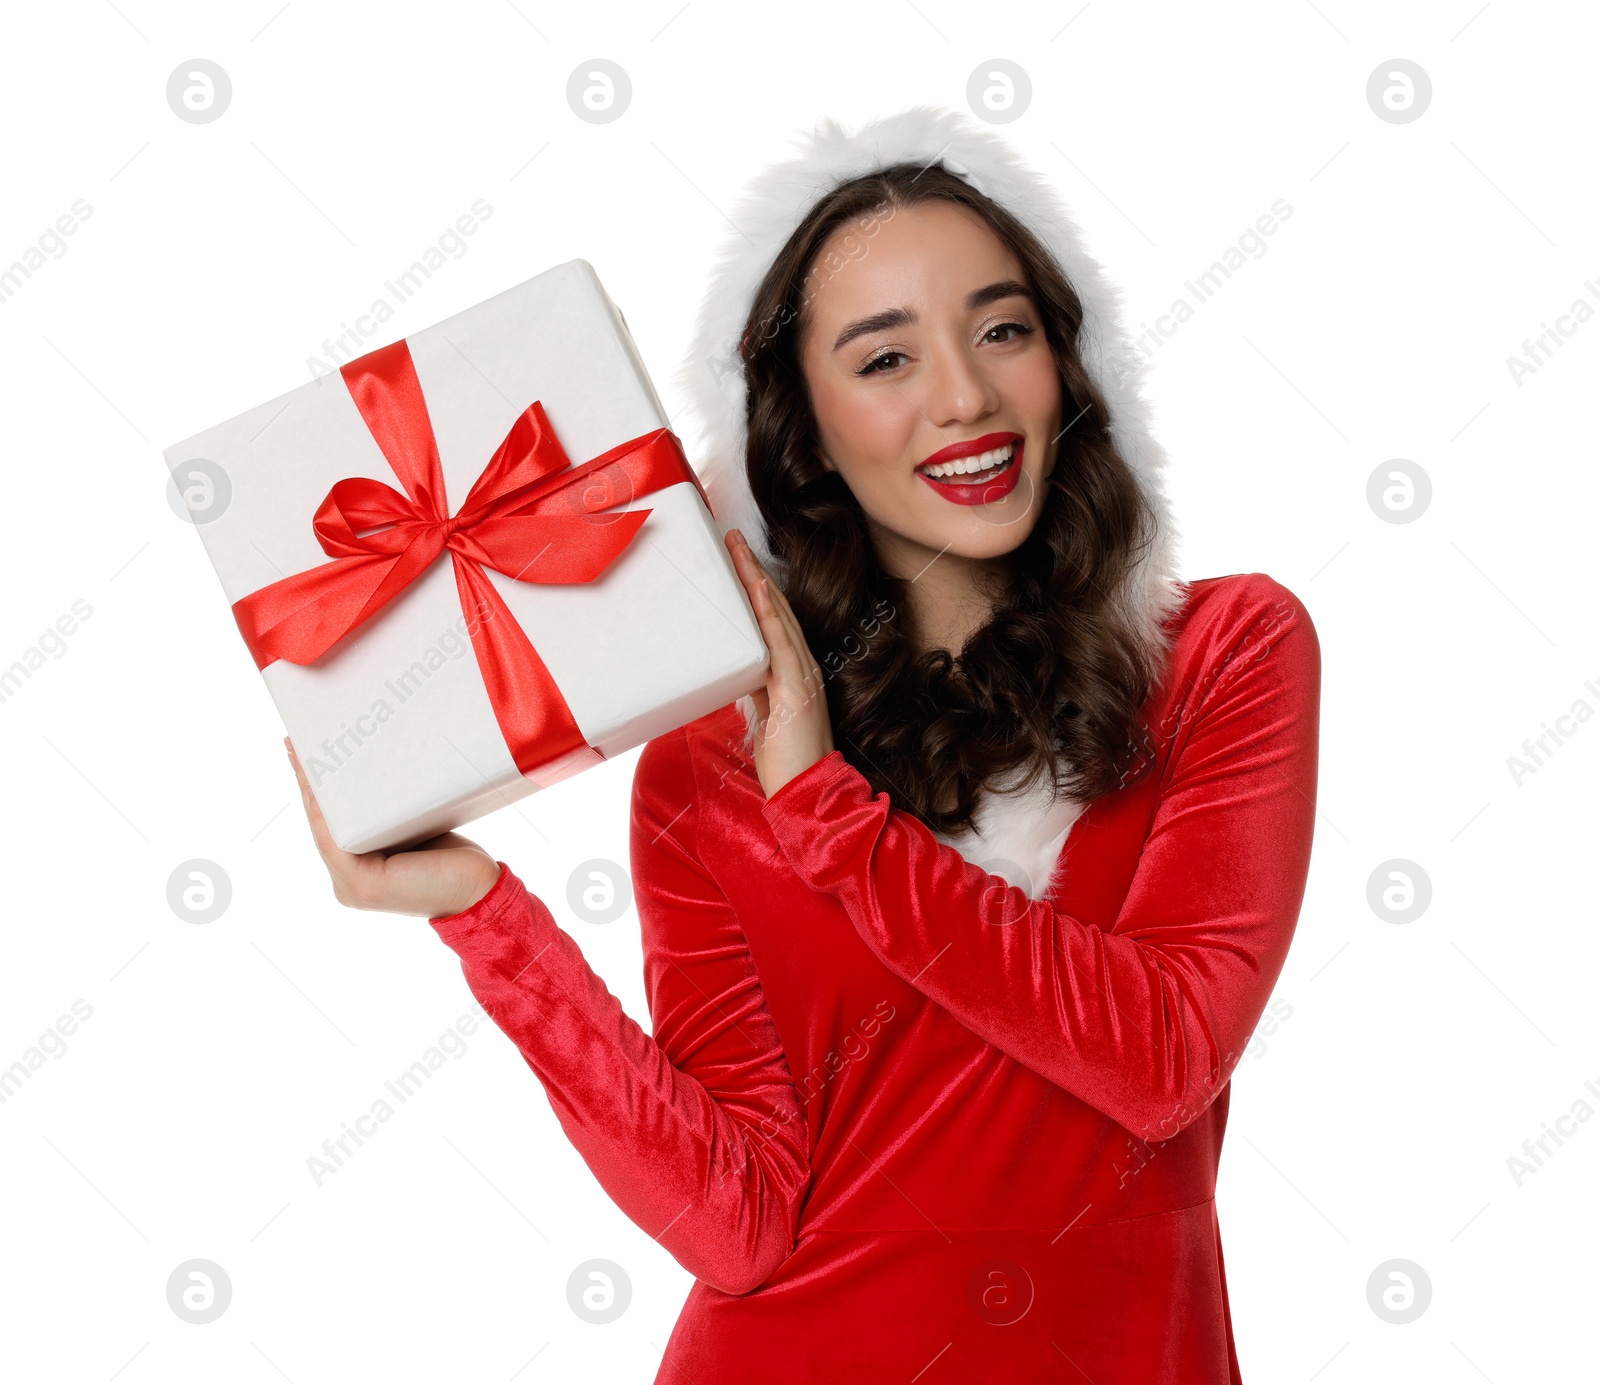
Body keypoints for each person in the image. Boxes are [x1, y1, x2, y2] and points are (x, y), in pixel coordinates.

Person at [287, 106, 1321, 1383]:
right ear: (803, 425)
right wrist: (487, 916)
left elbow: (1159, 1057)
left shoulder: (1222, 653)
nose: (963, 394)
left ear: (1068, 362)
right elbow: (736, 1223)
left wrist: (830, 812)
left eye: (1003, 329)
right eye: (883, 360)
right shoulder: (708, 768)